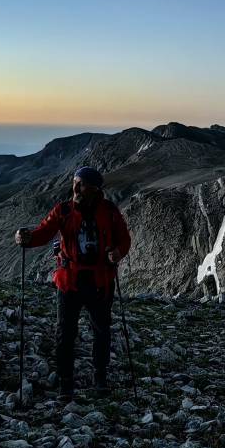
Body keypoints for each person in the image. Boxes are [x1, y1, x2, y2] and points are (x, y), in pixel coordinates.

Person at [15, 166, 131, 400]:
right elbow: (44, 233)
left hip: (99, 281)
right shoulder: (64, 210)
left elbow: (124, 238)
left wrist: (117, 252)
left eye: (82, 184)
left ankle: (99, 377)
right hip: (71, 282)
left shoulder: (109, 211)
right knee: (66, 333)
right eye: (75, 182)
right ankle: (66, 382)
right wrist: (24, 238)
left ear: (95, 189)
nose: (76, 187)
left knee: (101, 331)